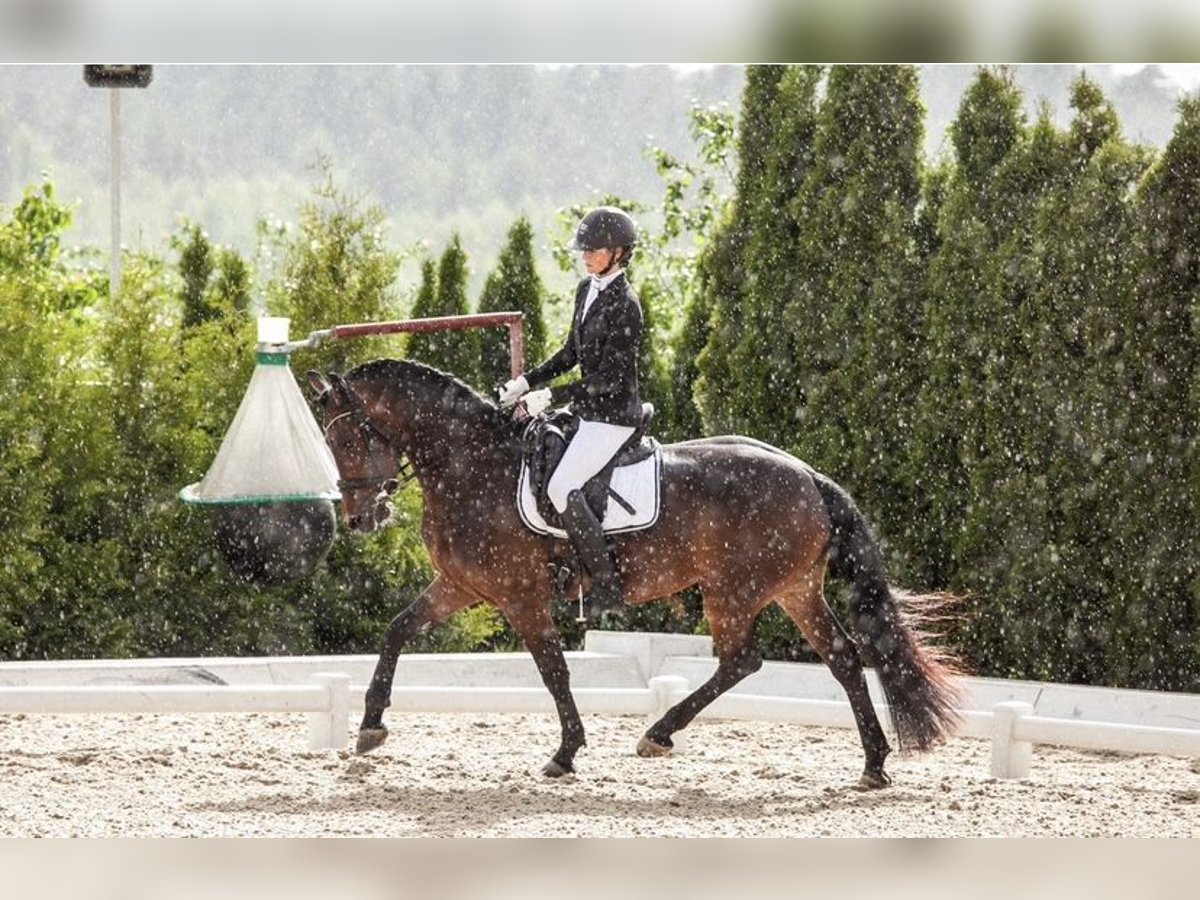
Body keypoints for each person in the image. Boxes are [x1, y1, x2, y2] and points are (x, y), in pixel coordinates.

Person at [498, 206, 643, 619]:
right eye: (584, 250)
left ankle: (608, 585)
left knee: (561, 487)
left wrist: (552, 398)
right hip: (587, 409)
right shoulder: (587, 290)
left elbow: (609, 381)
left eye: (593, 250)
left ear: (618, 252)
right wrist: (528, 382)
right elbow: (571, 354)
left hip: (614, 417)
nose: (585, 256)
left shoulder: (626, 306)